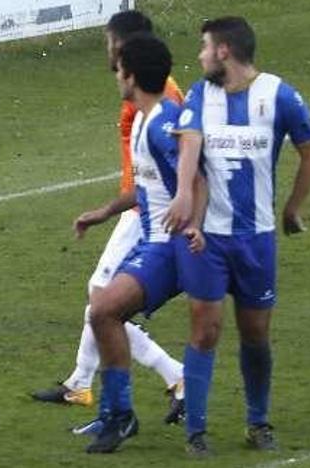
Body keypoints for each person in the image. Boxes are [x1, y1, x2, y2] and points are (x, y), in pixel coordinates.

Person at [165, 16, 310, 457]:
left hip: (256, 238)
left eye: (204, 47)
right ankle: (196, 431)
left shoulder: (279, 95)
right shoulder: (199, 95)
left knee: (255, 333)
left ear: (224, 51)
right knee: (205, 329)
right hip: (206, 237)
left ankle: (258, 421)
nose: (199, 56)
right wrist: (183, 199)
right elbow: (190, 149)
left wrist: (292, 207)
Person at [31, 11, 185, 424]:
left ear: (122, 46)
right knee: (99, 298)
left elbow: (180, 167)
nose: (106, 52)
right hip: (139, 207)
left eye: (108, 42)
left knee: (102, 304)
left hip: (151, 213)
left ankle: (175, 376)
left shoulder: (162, 100)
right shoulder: (146, 93)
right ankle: (81, 383)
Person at [80, 34, 206, 454]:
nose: (115, 76)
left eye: (119, 70)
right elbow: (150, 187)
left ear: (131, 75)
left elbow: (193, 180)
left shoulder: (163, 121)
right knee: (100, 309)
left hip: (168, 246)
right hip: (152, 242)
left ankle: (120, 414)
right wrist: (104, 211)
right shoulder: (142, 119)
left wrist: (193, 224)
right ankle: (117, 413)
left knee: (102, 310)